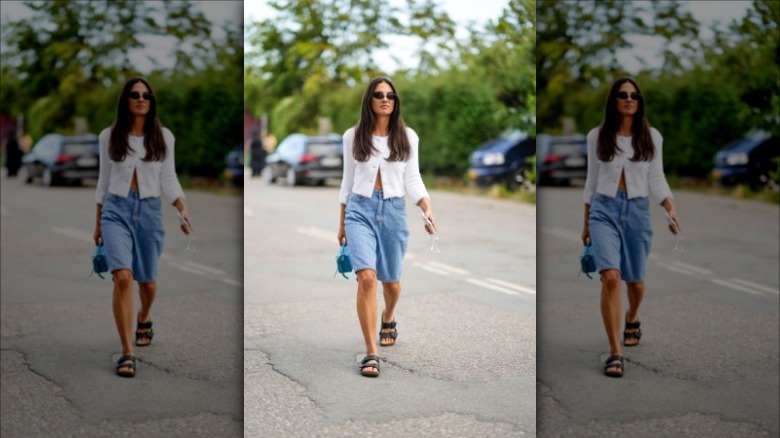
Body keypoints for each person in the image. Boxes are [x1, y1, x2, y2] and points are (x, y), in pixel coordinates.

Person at [582, 77, 681, 378]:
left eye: (635, 96)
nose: (629, 99)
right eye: (623, 95)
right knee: (611, 277)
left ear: (640, 102)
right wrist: (585, 222)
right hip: (603, 210)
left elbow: (657, 178)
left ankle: (632, 316)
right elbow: (591, 180)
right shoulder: (597, 136)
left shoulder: (652, 137)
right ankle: (615, 353)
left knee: (634, 281)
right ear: (613, 100)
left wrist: (669, 206)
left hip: (638, 210)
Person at [337, 76, 436, 378]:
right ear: (369, 100)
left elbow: (413, 179)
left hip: (393, 211)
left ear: (396, 102)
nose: (385, 99)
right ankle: (371, 353)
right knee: (367, 278)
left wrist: (426, 207)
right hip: (359, 210)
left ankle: (388, 316)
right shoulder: (353, 136)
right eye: (379, 95)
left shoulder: (408, 137)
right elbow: (347, 181)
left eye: (391, 96)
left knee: (390, 282)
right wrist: (341, 223)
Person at [93, 77, 193, 378]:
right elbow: (103, 180)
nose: (141, 99)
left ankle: (144, 316)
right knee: (123, 277)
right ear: (125, 100)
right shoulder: (109, 136)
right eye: (135, 95)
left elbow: (168, 178)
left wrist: (181, 206)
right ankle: (127, 353)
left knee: (146, 282)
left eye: (147, 96)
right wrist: (97, 222)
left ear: (152, 102)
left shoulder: (163, 136)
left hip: (149, 210)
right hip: (115, 209)